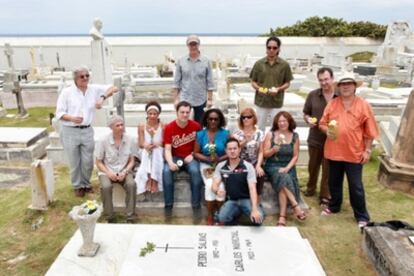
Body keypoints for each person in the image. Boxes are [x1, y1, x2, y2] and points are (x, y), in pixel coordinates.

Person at [319, 74, 379, 228]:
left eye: (349, 84)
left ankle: (362, 216)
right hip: (334, 151)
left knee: (356, 186)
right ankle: (334, 206)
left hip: (354, 152)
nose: (345, 86)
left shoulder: (363, 105)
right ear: (338, 87)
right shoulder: (332, 104)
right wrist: (326, 131)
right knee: (334, 182)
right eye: (343, 84)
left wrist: (367, 150)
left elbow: (370, 131)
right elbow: (322, 123)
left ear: (354, 86)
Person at [56, 66, 118, 197]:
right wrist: (71, 118)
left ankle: (86, 183)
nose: (85, 78)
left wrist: (102, 97)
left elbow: (114, 88)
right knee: (74, 161)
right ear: (75, 79)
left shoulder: (93, 89)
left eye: (87, 76)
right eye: (81, 76)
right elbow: (59, 113)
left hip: (87, 130)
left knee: (88, 161)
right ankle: (77, 186)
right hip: (70, 130)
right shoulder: (66, 92)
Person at [263, 111, 306, 226]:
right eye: (280, 121)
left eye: (284, 121)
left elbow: (295, 156)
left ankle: (282, 217)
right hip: (272, 165)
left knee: (283, 179)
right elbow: (265, 154)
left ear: (289, 122)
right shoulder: (271, 134)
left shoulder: (294, 136)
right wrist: (273, 150)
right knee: (282, 176)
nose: (282, 123)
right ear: (276, 123)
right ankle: (296, 206)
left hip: (288, 166)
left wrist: (287, 168)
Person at [302, 67, 336, 207]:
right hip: (315, 137)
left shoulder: (339, 96)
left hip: (333, 140)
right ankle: (310, 189)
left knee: (328, 169)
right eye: (321, 80)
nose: (324, 83)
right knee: (313, 166)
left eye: (326, 79)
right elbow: (306, 113)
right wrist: (308, 119)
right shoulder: (313, 95)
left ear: (332, 78)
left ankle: (324, 195)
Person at [213, 138, 264, 226]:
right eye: (230, 149)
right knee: (222, 218)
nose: (232, 151)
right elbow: (214, 184)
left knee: (258, 220)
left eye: (235, 148)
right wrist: (217, 190)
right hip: (232, 200)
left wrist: (254, 209)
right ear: (226, 151)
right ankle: (236, 215)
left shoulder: (248, 166)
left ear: (239, 149)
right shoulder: (221, 166)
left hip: (247, 199)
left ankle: (257, 209)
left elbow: (252, 189)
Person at [162, 101, 203, 213]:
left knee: (195, 171)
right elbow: (167, 149)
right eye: (182, 112)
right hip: (175, 157)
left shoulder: (196, 126)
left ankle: (196, 206)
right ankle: (168, 206)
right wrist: (170, 163)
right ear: (177, 112)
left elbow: (200, 145)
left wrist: (193, 154)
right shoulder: (169, 127)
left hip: (190, 157)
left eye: (187, 112)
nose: (185, 115)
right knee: (166, 171)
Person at [95, 115, 137, 223]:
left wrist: (125, 171)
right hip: (107, 171)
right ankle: (109, 216)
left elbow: (132, 160)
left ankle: (130, 216)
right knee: (106, 187)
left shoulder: (130, 139)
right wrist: (108, 173)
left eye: (122, 124)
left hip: (124, 170)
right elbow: (98, 162)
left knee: (131, 184)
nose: (121, 127)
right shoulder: (103, 140)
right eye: (117, 125)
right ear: (111, 127)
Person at [194, 108, 229, 225]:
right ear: (206, 120)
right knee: (210, 185)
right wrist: (207, 158)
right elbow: (196, 153)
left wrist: (219, 159)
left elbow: (231, 151)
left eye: (216, 119)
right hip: (206, 165)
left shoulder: (225, 133)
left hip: (221, 165)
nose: (213, 121)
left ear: (220, 121)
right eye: (210, 119)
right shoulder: (200, 134)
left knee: (221, 188)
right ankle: (210, 215)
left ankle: (220, 214)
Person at [250, 36, 293, 131]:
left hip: (276, 102)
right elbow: (253, 81)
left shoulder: (284, 65)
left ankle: (273, 145)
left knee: (277, 128)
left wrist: (278, 89)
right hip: (261, 101)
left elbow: (287, 83)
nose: (271, 50)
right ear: (266, 48)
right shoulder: (259, 64)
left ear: (279, 49)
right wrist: (259, 89)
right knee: (259, 128)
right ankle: (260, 145)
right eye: (269, 47)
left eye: (274, 48)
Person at [173, 35, 215, 123]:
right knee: (184, 124)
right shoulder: (181, 60)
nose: (193, 46)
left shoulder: (206, 60)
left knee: (199, 125)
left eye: (195, 44)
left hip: (201, 100)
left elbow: (210, 81)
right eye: (191, 44)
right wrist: (176, 99)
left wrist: (210, 99)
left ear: (199, 45)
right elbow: (176, 82)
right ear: (187, 46)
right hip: (185, 99)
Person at [232, 108, 265, 201]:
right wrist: (246, 140)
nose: (246, 119)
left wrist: (258, 165)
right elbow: (234, 151)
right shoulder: (237, 133)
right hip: (240, 162)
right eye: (243, 117)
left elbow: (261, 151)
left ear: (254, 118)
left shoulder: (259, 133)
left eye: (249, 117)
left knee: (260, 174)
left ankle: (257, 200)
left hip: (254, 162)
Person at [135, 101, 164, 194]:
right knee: (147, 152)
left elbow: (164, 142)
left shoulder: (163, 125)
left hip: (158, 149)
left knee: (156, 152)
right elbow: (140, 143)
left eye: (154, 114)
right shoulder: (141, 126)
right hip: (145, 150)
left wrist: (157, 143)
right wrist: (146, 145)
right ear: (147, 114)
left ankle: (154, 180)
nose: (152, 116)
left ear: (158, 114)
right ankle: (149, 179)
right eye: (150, 113)